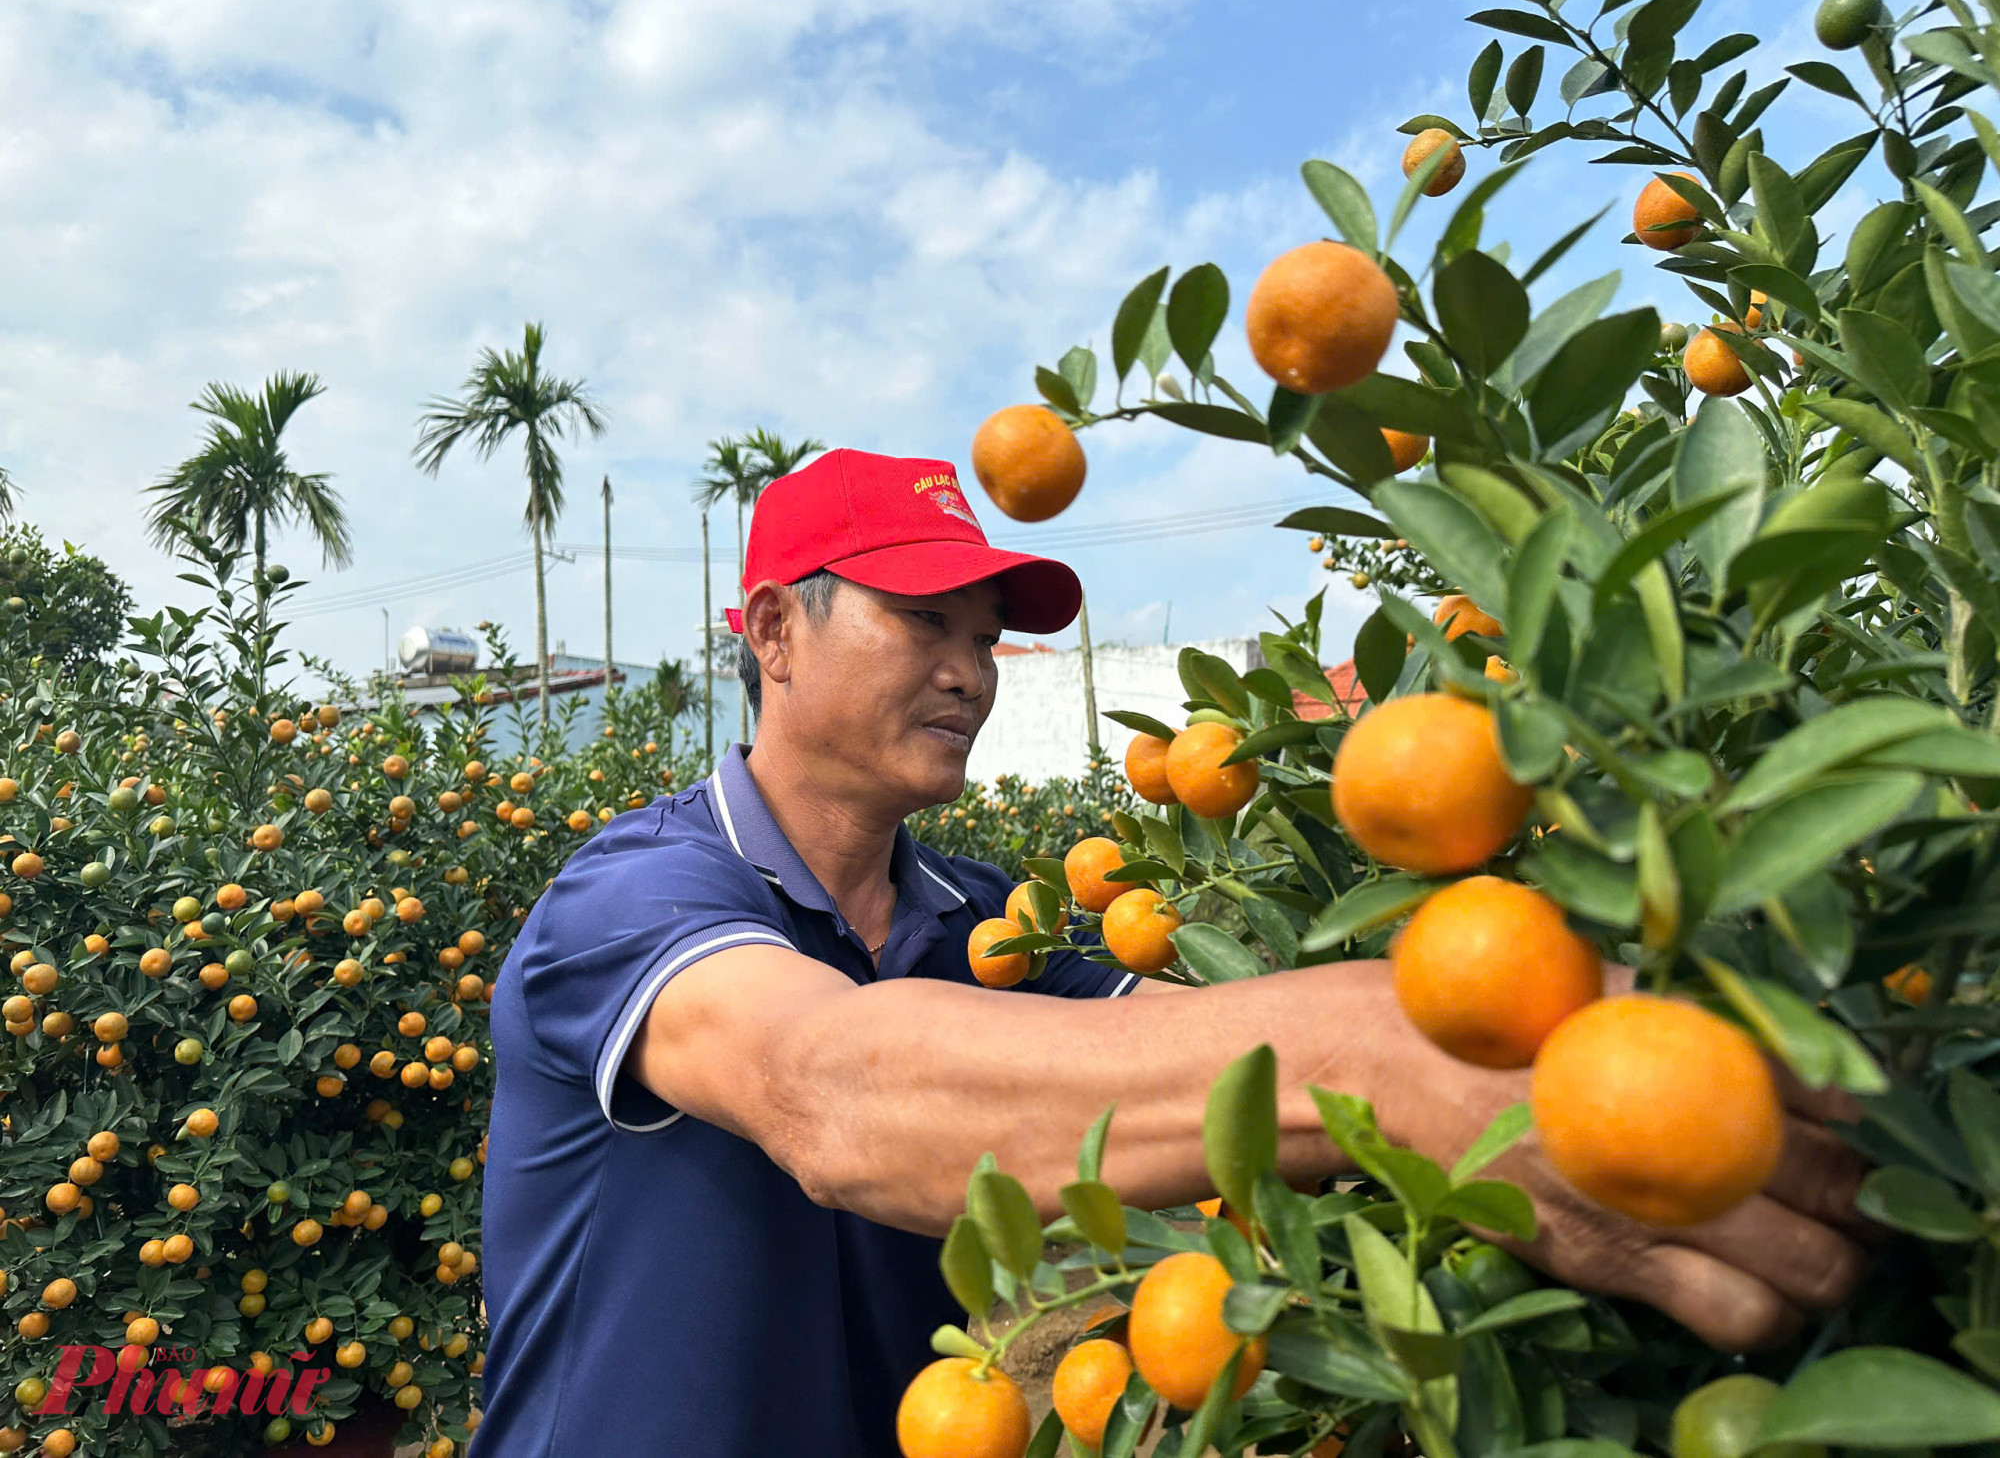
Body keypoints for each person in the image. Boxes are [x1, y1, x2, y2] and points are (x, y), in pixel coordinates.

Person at [472, 447, 1868, 1458]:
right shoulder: (634, 896)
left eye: (988, 637)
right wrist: (1374, 1056)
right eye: (924, 623)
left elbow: (1171, 1029)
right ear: (775, 629)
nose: (971, 669)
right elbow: (834, 1090)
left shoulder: (985, 922)